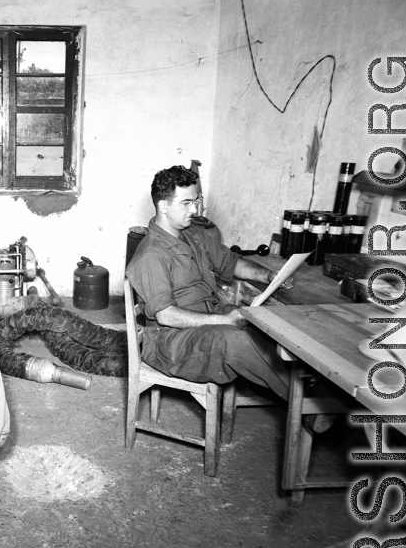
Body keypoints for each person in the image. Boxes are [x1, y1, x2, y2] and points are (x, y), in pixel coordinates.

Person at [125, 165, 294, 400]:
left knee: (266, 324)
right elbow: (166, 315)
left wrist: (268, 276)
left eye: (195, 201)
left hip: (209, 316)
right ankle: (303, 405)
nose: (194, 210)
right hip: (171, 340)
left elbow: (230, 262)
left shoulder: (193, 234)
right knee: (233, 339)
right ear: (163, 206)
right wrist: (224, 320)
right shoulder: (151, 254)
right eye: (186, 203)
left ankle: (312, 392)